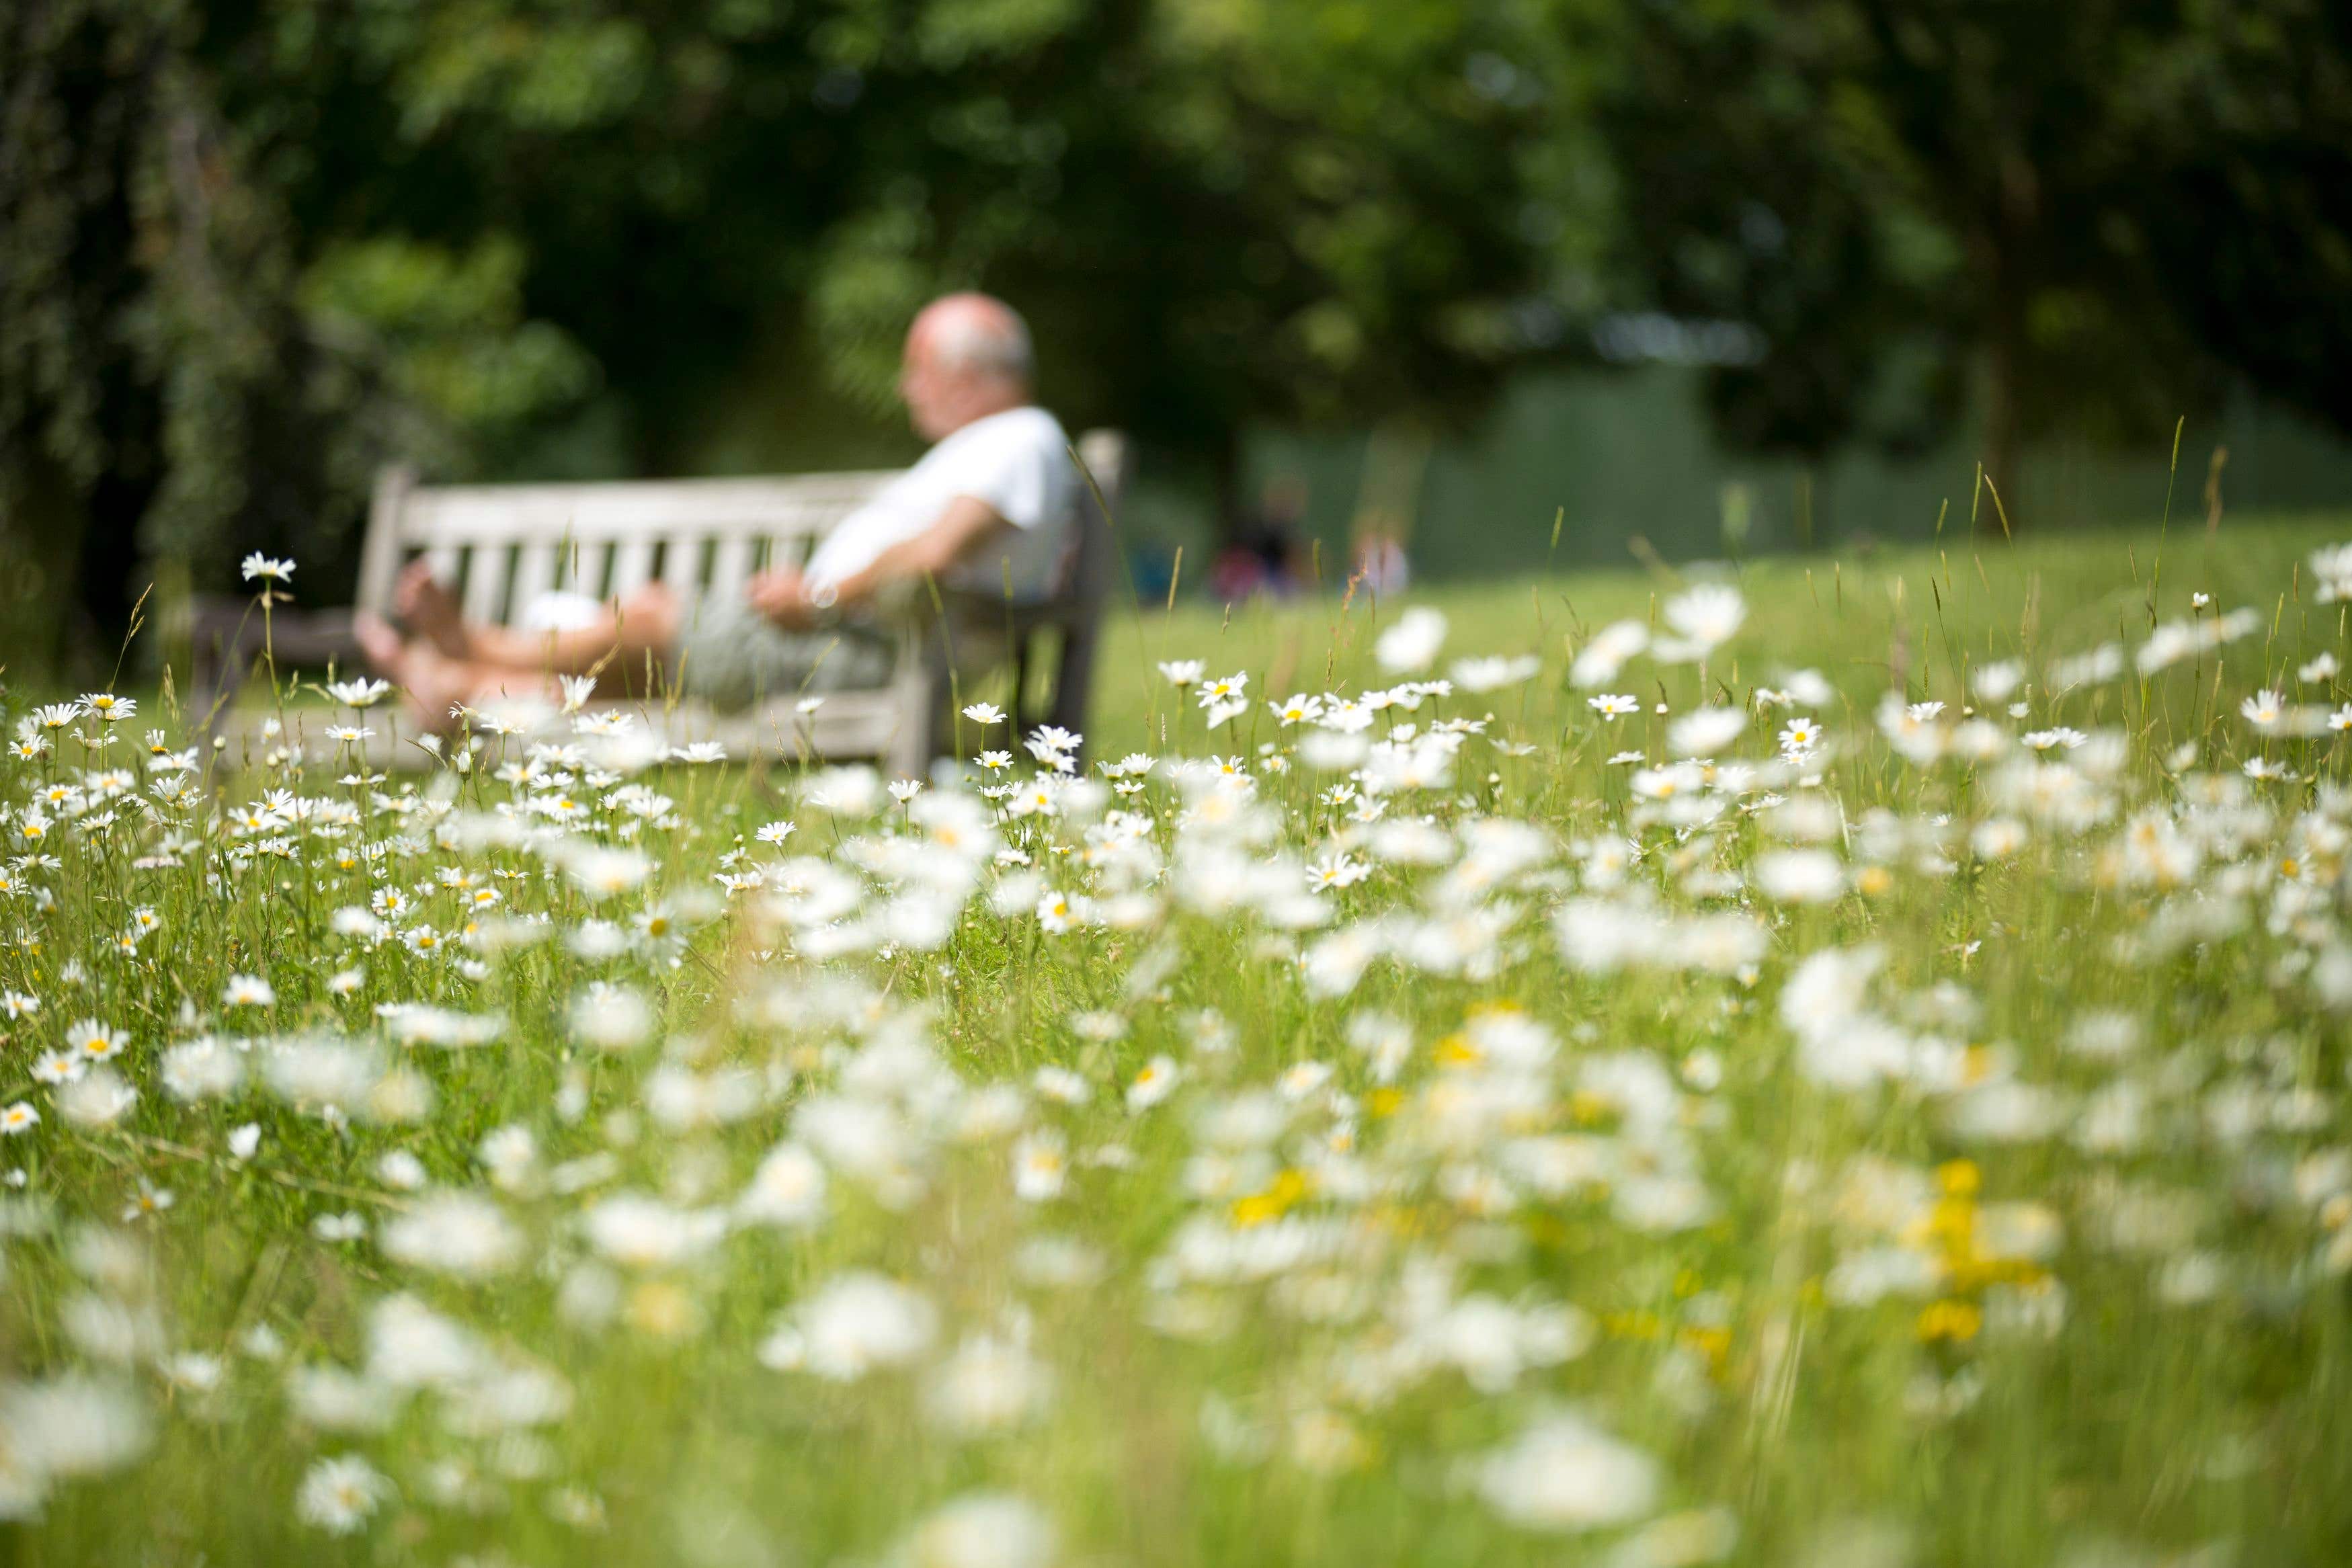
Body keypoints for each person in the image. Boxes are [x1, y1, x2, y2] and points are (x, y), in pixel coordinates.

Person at [354, 292, 1077, 724]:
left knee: (662, 615)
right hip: (855, 644)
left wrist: (819, 597)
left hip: (866, 656)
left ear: (969, 373)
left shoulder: (1017, 438)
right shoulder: (1004, 444)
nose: (906, 386)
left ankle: (469, 648)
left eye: (919, 368)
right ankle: (452, 681)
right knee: (629, 650)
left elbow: (936, 552)